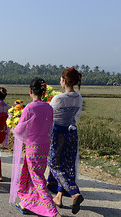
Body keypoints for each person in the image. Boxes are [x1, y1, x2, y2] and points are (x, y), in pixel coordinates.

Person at [9, 78, 60, 217]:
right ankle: (26, 203)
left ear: (30, 91)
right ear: (43, 92)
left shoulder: (29, 108)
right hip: (44, 147)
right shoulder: (49, 108)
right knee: (30, 176)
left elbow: (20, 130)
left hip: (33, 147)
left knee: (37, 179)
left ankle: (53, 212)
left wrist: (13, 127)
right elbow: (49, 128)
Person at [47, 67, 84, 215]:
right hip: (72, 134)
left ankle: (74, 192)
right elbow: (77, 117)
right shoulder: (78, 97)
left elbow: (49, 117)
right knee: (67, 166)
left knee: (55, 165)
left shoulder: (59, 98)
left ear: (64, 81)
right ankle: (59, 197)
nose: (60, 82)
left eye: (61, 79)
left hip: (58, 133)